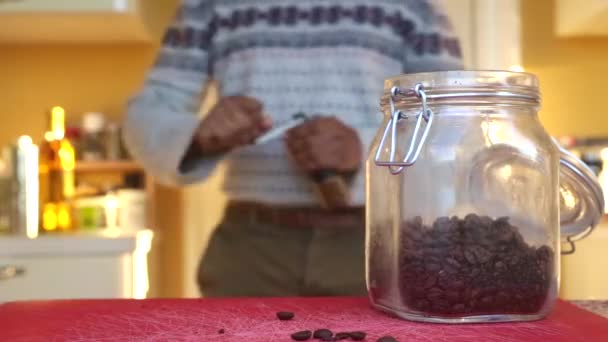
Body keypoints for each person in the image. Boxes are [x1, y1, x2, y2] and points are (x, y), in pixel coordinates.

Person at [124, 0, 462, 297]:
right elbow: (151, 111)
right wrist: (199, 135)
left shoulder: (415, 7)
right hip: (250, 254)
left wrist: (364, 148)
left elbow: (454, 119)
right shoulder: (207, 6)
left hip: (379, 244)